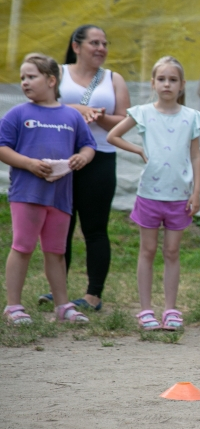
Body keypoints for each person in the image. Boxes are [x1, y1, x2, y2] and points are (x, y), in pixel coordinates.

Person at [107, 56, 200, 331]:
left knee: (172, 251)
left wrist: (196, 193)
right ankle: (146, 310)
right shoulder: (142, 113)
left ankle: (171, 309)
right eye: (161, 79)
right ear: (153, 83)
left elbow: (196, 157)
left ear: (182, 85)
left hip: (179, 197)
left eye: (173, 80)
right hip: (149, 194)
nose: (167, 84)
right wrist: (138, 149)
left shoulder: (191, 118)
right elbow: (112, 136)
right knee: (148, 250)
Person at [38, 25, 130, 313]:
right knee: (59, 226)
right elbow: (42, 106)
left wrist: (99, 117)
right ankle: (58, 291)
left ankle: (93, 296)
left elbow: (125, 121)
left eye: (105, 43)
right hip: (62, 159)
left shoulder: (114, 79)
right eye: (94, 42)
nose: (101, 48)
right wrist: (75, 109)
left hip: (101, 158)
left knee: (95, 229)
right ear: (76, 47)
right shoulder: (58, 74)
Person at [2, 54, 95, 325]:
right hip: (27, 195)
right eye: (22, 78)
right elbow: (2, 146)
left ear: (51, 80)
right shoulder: (18, 113)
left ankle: (63, 305)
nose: (25, 83)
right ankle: (13, 307)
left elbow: (88, 145)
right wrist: (28, 164)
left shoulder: (71, 116)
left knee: (56, 251)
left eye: (31, 76)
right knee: (22, 247)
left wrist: (83, 157)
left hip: (60, 197)